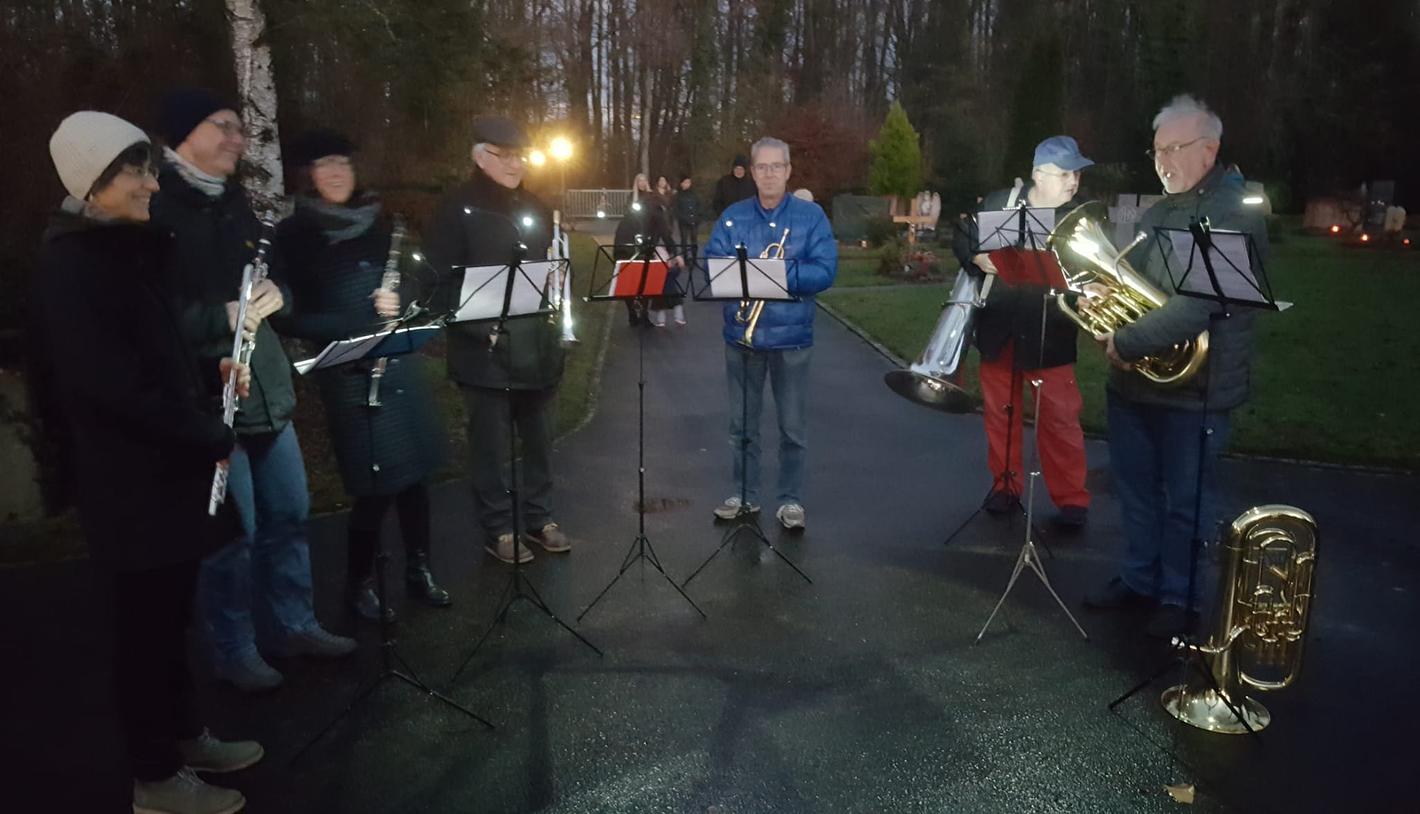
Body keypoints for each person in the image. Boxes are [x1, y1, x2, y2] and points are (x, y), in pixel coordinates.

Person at [37, 110, 262, 814]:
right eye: (135, 172)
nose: (151, 184)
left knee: (171, 620)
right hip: (128, 486)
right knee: (142, 633)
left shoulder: (126, 248)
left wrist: (208, 374)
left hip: (164, 473)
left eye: (147, 168)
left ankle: (182, 736)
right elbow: (112, 390)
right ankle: (155, 778)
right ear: (93, 182)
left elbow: (157, 354)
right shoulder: (73, 266)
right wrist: (204, 433)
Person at [150, 88, 355, 693]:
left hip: (266, 390)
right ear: (185, 132)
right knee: (230, 537)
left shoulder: (238, 204)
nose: (238, 139)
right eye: (224, 126)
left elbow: (279, 284)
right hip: (210, 400)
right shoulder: (156, 209)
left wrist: (277, 296)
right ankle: (233, 647)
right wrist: (220, 316)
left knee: (289, 515)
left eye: (240, 128)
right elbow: (152, 315)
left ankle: (293, 624)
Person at [1081, 95, 1265, 639]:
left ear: (1209, 149)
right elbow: (1130, 280)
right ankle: (1140, 579)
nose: (1162, 161)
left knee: (1188, 500)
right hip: (1136, 382)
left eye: (1174, 149)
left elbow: (1200, 303)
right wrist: (1100, 295)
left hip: (1196, 388)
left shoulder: (1235, 212)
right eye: (1157, 151)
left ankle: (1179, 595)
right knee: (1136, 490)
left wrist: (1128, 339)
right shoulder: (1158, 210)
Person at [275, 128, 450, 622]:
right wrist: (346, 325)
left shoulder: (382, 222)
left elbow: (420, 278)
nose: (336, 173)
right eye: (325, 165)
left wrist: (403, 297)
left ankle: (419, 569)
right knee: (373, 488)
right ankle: (358, 584)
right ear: (309, 175)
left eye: (343, 164)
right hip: (349, 373)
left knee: (416, 479)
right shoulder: (294, 236)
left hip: (399, 364)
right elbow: (286, 316)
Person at [424, 115, 574, 564]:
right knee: (489, 446)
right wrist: (481, 330)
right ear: (480, 157)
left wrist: (555, 285)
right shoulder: (456, 208)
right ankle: (498, 528)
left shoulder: (537, 206)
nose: (514, 164)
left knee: (539, 440)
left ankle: (539, 517)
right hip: (483, 350)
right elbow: (437, 280)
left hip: (535, 344)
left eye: (520, 156)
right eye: (503, 155)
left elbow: (547, 268)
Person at [951, 136, 1094, 529]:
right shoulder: (1001, 202)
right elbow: (963, 234)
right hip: (1000, 327)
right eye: (1065, 173)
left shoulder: (1079, 217)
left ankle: (1072, 501)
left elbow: (1090, 270)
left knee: (1060, 418)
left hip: (1051, 332)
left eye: (1077, 174)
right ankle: (1005, 488)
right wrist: (977, 257)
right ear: (1039, 174)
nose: (1073, 182)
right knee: (1000, 413)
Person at [705, 137, 837, 530]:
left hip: (792, 339)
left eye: (776, 166)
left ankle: (790, 500)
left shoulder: (811, 216)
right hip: (741, 338)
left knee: (792, 428)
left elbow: (825, 271)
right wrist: (758, 276)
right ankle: (744, 495)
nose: (769, 174)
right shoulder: (732, 216)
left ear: (788, 170)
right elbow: (713, 263)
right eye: (761, 167)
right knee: (741, 427)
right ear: (752, 171)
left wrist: (774, 276)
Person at [672, 174, 702, 252]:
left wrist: (697, 216)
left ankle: (694, 256)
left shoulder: (694, 194)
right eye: (685, 182)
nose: (687, 184)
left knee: (694, 240)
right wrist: (682, 217)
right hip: (683, 221)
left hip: (694, 220)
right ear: (681, 183)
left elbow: (698, 205)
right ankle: (685, 256)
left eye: (689, 182)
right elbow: (676, 209)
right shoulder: (678, 195)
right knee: (684, 240)